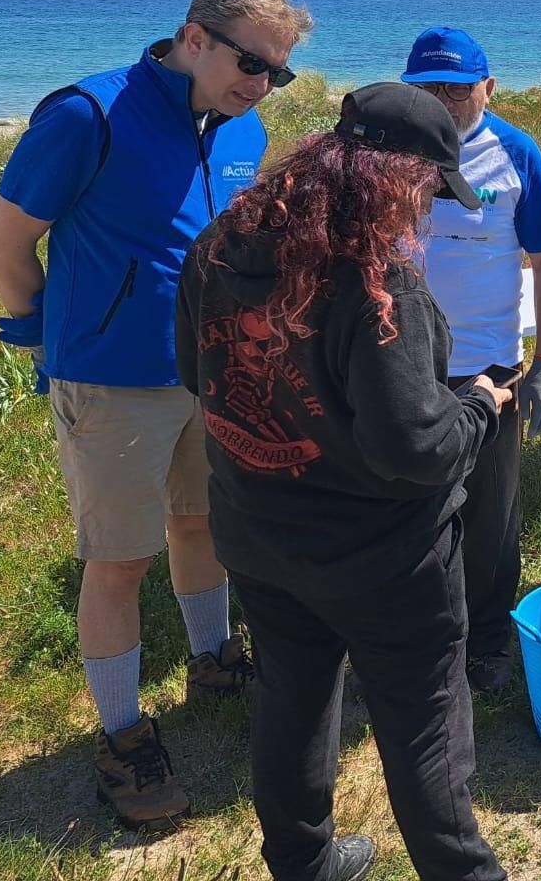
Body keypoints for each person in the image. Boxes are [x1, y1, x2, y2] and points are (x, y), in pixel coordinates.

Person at [0, 0, 311, 829]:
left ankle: (213, 660)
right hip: (114, 383)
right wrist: (42, 333)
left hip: (209, 374)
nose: (261, 83)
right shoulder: (89, 114)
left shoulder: (241, 125)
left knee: (201, 526)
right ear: (192, 38)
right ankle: (123, 737)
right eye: (250, 61)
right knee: (119, 563)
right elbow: (5, 241)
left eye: (278, 72)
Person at [176, 83, 511, 881]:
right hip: (385, 559)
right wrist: (481, 405)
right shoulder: (376, 282)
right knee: (424, 725)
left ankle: (302, 864)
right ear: (395, 179)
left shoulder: (220, 245)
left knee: (291, 701)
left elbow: (196, 370)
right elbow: (416, 447)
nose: (427, 211)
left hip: (257, 534)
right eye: (429, 189)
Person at [399, 27, 541, 694]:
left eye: (457, 87)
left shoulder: (515, 152)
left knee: (490, 517)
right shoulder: (390, 152)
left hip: (488, 368)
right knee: (405, 507)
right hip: (400, 366)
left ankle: (489, 641)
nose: (443, 100)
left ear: (488, 87)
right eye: (429, 88)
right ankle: (415, 633)